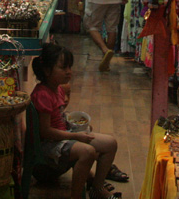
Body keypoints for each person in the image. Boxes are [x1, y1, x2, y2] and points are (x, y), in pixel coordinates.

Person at [30, 43, 121, 199]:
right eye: (63, 68)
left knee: (110, 143)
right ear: (46, 70)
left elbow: (58, 118)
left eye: (69, 67)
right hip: (48, 145)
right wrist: (76, 136)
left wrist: (77, 129)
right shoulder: (43, 94)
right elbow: (45, 132)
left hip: (62, 136)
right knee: (87, 152)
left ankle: (97, 189)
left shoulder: (57, 88)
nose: (68, 72)